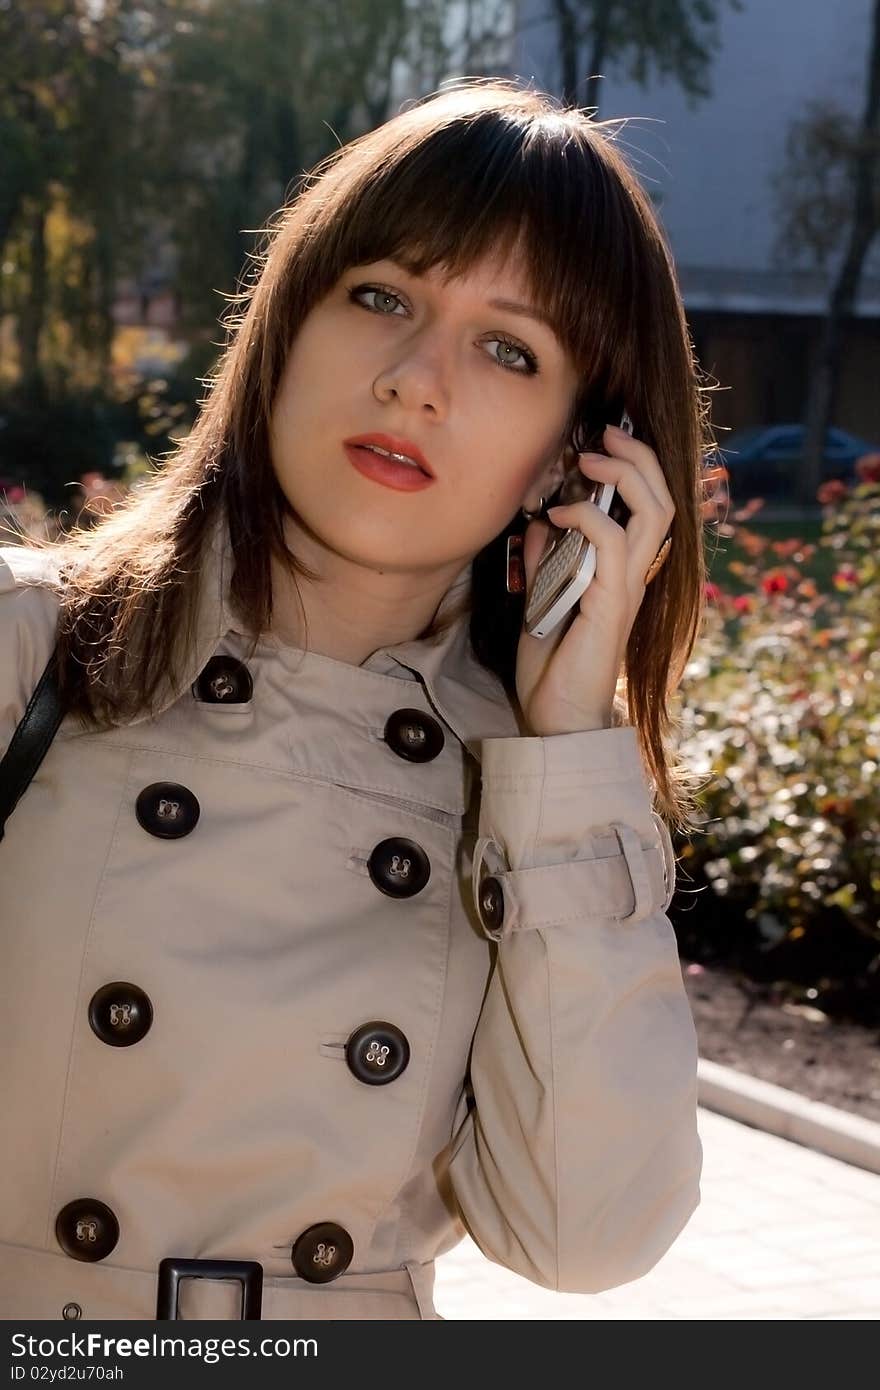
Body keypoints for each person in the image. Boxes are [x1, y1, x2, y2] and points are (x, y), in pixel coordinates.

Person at [0, 78, 708, 1322]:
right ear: (284, 328)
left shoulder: (531, 792)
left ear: (575, 455)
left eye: (509, 348)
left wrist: (571, 745)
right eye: (381, 296)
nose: (416, 380)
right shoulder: (32, 648)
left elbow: (586, 1237)